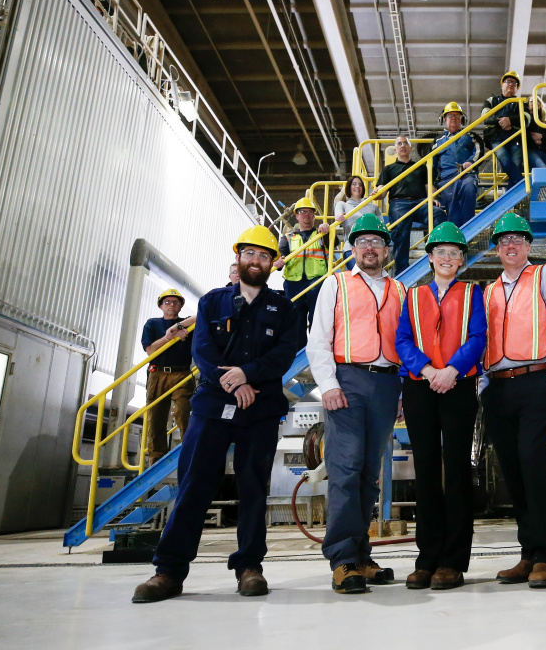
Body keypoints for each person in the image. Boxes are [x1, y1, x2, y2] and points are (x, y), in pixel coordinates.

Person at [132, 226, 306, 603]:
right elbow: (203, 352)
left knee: (253, 487)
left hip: (260, 411)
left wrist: (248, 374)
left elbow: (285, 353)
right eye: (249, 254)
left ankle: (249, 567)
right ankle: (169, 571)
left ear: (273, 263)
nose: (256, 261)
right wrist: (234, 382)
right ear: (238, 258)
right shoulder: (211, 303)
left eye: (264, 256)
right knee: (194, 484)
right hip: (212, 408)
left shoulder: (285, 308)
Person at [306, 213, 408, 594]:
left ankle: (361, 555)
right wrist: (328, 384)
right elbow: (318, 339)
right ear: (353, 248)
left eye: (376, 242)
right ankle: (343, 559)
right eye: (363, 242)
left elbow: (404, 344)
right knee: (346, 470)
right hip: (347, 381)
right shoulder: (335, 284)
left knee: (369, 474)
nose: (370, 248)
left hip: (385, 383)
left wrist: (399, 391)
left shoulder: (400, 290)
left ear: (386, 250)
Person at [481, 213, 546, 589]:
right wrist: (485, 383)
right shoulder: (488, 291)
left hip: (536, 380)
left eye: (518, 239)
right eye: (504, 241)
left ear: (527, 245)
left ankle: (545, 557)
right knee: (513, 469)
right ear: (497, 249)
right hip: (498, 387)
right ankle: (527, 553)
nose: (511, 246)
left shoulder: (545, 276)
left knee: (533, 464)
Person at [395, 223, 487, 591]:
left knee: (458, 471)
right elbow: (402, 339)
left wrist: (451, 371)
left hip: (458, 385)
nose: (448, 258)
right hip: (420, 386)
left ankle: (453, 561)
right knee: (428, 472)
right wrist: (428, 369)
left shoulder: (472, 293)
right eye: (441, 252)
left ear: (462, 260)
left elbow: (478, 337)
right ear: (430, 257)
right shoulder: (414, 296)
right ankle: (426, 558)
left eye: (454, 253)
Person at [140, 289, 197, 464]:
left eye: (176, 302)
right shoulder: (152, 324)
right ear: (160, 306)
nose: (171, 305)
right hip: (157, 373)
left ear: (181, 306)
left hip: (182, 373)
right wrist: (169, 337)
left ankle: (190, 451)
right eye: (167, 302)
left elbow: (203, 315)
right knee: (156, 417)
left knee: (182, 412)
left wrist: (179, 326)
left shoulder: (187, 324)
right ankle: (156, 458)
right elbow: (150, 350)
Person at [377, 135, 445, 274]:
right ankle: (402, 271)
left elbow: (428, 185)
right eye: (399, 144)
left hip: (420, 202)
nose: (402, 145)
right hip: (398, 203)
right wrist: (376, 192)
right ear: (395, 150)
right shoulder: (389, 169)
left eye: (405, 143)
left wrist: (432, 197)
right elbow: (381, 191)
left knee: (438, 214)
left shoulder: (420, 167)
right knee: (400, 231)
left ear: (410, 148)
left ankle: (437, 255)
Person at [274, 197, 328, 326]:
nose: (307, 214)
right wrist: (277, 262)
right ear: (297, 216)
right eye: (303, 211)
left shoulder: (322, 234)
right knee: (295, 323)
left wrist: (327, 230)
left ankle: (316, 347)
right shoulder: (287, 238)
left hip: (317, 281)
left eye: (310, 212)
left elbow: (335, 242)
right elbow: (279, 257)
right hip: (293, 284)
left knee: (317, 323)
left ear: (314, 216)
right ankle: (298, 347)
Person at [480, 70, 534, 188]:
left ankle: (513, 196)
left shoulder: (521, 102)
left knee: (515, 164)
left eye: (514, 83)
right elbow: (485, 116)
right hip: (496, 138)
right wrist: (502, 121)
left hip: (515, 139)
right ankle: (523, 186)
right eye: (508, 81)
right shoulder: (491, 101)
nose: (510, 84)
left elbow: (527, 119)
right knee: (505, 160)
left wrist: (510, 120)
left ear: (517, 88)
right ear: (502, 84)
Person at [431, 102, 480, 228]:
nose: (453, 118)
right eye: (450, 116)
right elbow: (432, 166)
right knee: (451, 202)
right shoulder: (438, 141)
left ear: (461, 119)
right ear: (444, 120)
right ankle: (455, 234)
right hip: (447, 179)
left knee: (469, 188)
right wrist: (432, 187)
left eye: (457, 116)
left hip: (467, 174)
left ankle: (469, 230)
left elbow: (479, 151)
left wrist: (471, 162)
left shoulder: (470, 135)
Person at [335, 176, 380, 264]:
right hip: (351, 247)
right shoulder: (343, 205)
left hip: (371, 247)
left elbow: (381, 226)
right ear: (349, 187)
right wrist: (339, 216)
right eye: (354, 184)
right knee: (359, 275)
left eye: (360, 185)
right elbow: (338, 214)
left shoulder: (372, 207)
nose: (357, 187)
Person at [527, 95, 546, 170]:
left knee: (539, 176)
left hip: (543, 151)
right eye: (531, 101)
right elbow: (520, 134)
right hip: (530, 150)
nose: (534, 103)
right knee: (543, 169)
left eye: (537, 101)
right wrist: (532, 137)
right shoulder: (525, 119)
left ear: (540, 104)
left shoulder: (545, 122)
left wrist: (541, 136)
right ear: (528, 104)